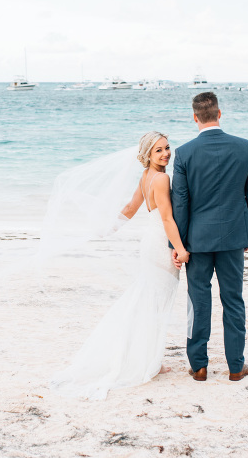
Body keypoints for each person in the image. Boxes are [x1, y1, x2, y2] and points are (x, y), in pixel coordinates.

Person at [49, 131, 189, 400]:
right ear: (147, 154)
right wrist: (180, 250)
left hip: (149, 243)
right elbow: (168, 219)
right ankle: (149, 362)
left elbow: (129, 208)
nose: (166, 154)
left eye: (167, 148)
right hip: (160, 245)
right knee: (156, 304)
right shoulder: (161, 178)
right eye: (158, 150)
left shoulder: (146, 177)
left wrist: (109, 227)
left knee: (148, 302)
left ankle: (148, 358)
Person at [171, 92, 248, 382]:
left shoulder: (184, 153)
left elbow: (180, 203)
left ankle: (199, 365)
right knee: (233, 300)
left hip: (197, 240)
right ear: (219, 114)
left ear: (195, 117)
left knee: (198, 301)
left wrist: (178, 244)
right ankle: (236, 366)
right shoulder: (244, 148)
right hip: (234, 236)